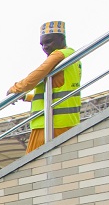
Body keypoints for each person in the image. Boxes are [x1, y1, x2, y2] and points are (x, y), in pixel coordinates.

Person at [8, 21, 81, 153]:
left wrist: (16, 88)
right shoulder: (74, 58)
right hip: (66, 122)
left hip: (50, 124)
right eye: (42, 44)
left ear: (61, 39)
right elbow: (57, 90)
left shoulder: (59, 55)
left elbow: (35, 77)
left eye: (48, 42)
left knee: (32, 168)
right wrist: (27, 97)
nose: (44, 47)